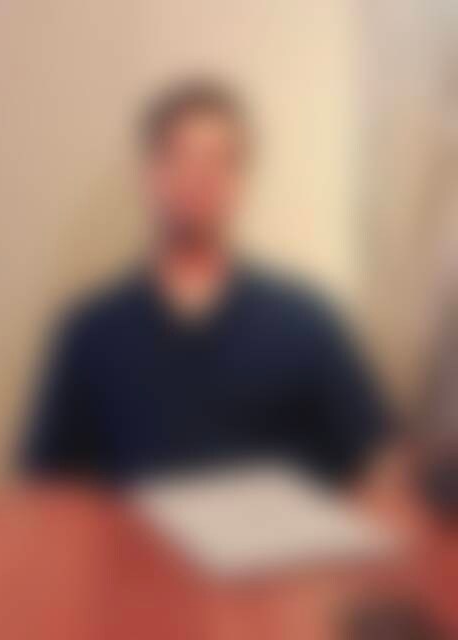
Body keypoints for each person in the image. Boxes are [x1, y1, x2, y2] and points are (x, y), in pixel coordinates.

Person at [22, 80, 386, 485]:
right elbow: (48, 486)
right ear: (152, 172)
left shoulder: (306, 322)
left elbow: (374, 461)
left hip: (279, 527)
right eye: (181, 158)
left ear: (240, 178)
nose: (197, 178)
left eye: (217, 161)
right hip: (128, 528)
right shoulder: (91, 331)